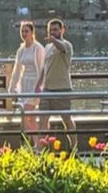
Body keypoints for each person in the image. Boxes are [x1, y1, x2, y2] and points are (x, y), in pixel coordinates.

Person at [35, 19, 76, 148]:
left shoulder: (67, 45)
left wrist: (53, 40)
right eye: (50, 30)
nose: (52, 32)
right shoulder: (47, 47)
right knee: (43, 119)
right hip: (47, 89)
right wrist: (38, 84)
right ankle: (41, 149)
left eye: (55, 30)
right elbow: (44, 67)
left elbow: (61, 48)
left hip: (62, 89)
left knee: (66, 119)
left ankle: (74, 147)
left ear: (62, 30)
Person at [8, 21, 45, 134]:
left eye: (26, 31)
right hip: (24, 84)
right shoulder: (21, 50)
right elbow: (17, 70)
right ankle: (37, 142)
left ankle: (31, 139)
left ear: (32, 32)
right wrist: (11, 89)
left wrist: (40, 86)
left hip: (35, 84)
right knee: (31, 118)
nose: (24, 33)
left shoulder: (38, 48)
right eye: (22, 31)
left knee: (25, 112)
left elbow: (42, 68)